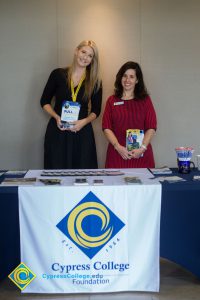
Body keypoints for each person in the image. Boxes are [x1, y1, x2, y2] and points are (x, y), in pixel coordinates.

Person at [40, 40, 102, 169]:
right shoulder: (57, 74)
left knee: (83, 176)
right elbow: (44, 101)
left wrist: (83, 122)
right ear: (76, 51)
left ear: (92, 60)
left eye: (90, 55)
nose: (85, 57)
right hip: (58, 130)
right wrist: (57, 117)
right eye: (83, 52)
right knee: (56, 174)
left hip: (82, 132)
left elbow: (96, 110)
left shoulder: (95, 81)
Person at [102, 61, 157, 168]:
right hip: (117, 155)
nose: (127, 80)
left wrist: (142, 148)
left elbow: (151, 126)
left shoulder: (145, 100)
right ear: (120, 78)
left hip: (141, 156)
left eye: (132, 77)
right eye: (125, 76)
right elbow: (106, 127)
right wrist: (118, 147)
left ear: (137, 80)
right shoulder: (111, 100)